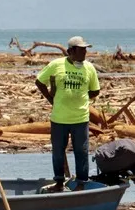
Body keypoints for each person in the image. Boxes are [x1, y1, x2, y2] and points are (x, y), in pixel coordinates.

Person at [35, 36, 100, 193]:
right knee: (58, 150)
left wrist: (80, 97)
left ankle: (81, 183)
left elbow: (95, 90)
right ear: (71, 51)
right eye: (81, 49)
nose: (84, 53)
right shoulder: (56, 65)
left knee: (81, 151)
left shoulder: (89, 68)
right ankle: (59, 182)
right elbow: (39, 81)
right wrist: (51, 98)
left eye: (85, 49)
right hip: (59, 118)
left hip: (80, 118)